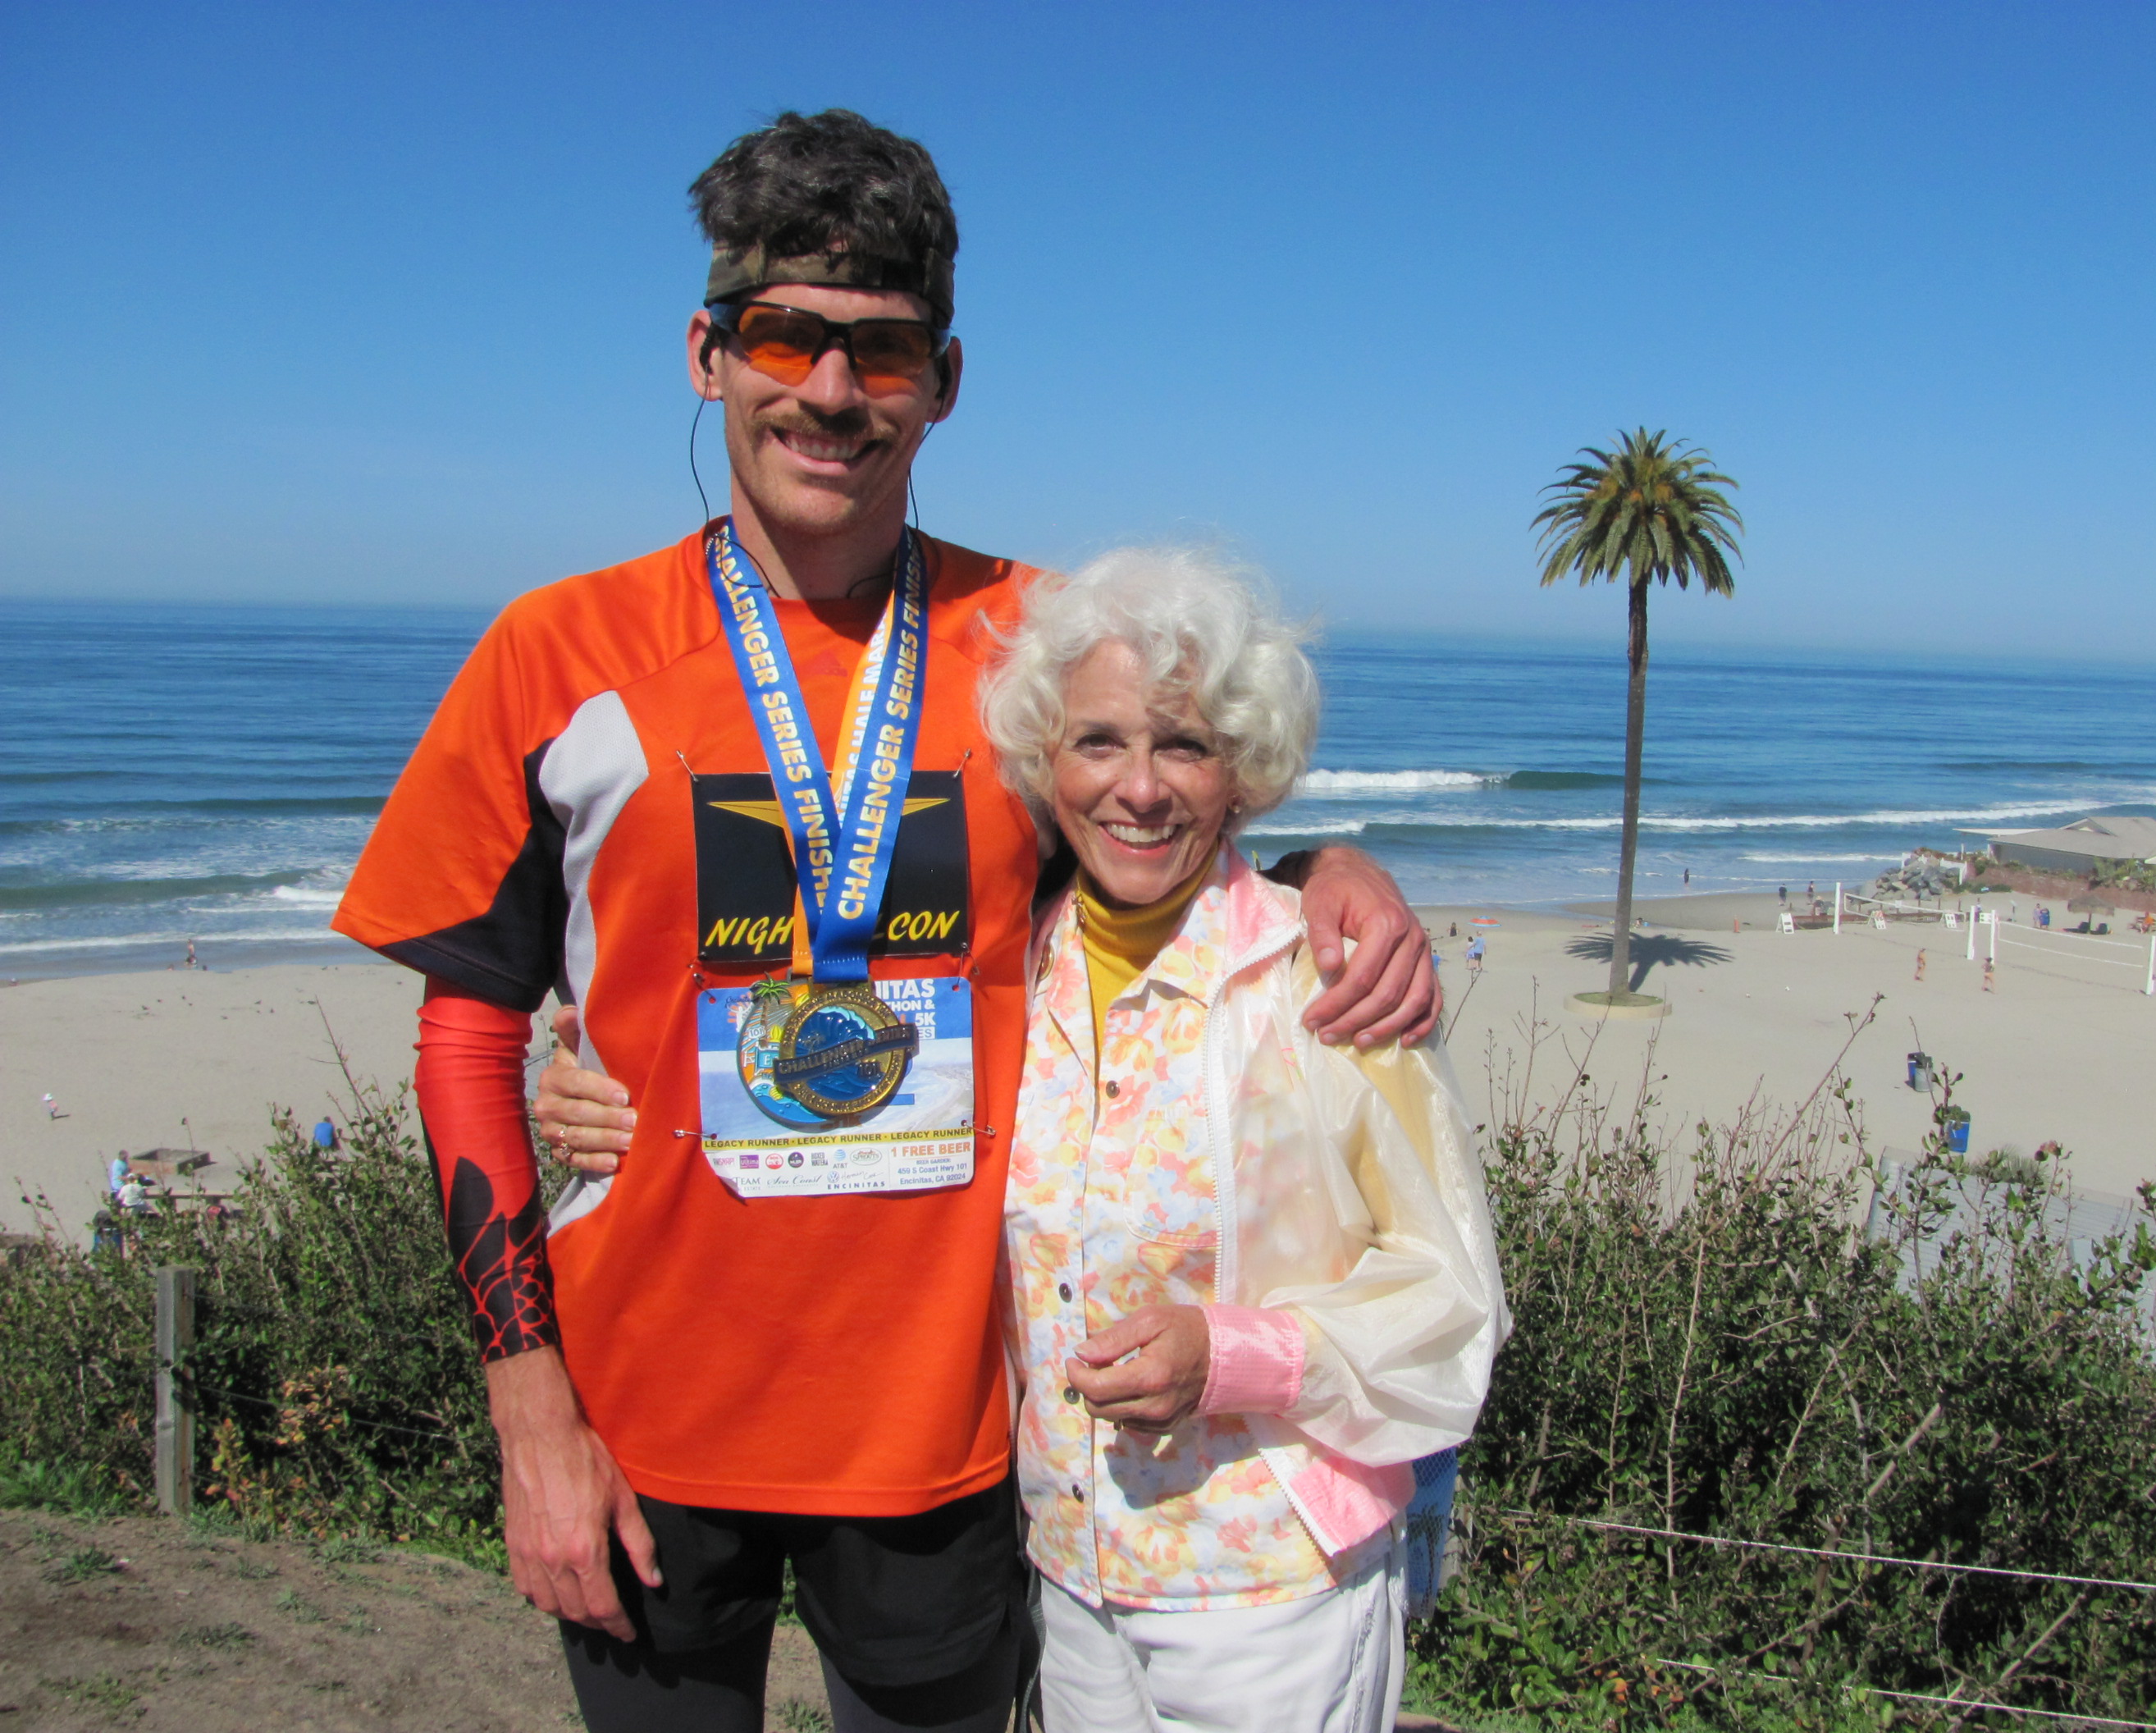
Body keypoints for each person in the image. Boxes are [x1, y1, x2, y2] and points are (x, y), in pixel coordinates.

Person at [336, 111, 1437, 1733]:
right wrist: (528, 1414)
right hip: (642, 1425)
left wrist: (1336, 862)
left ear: (947, 378)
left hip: (948, 1432)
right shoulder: (556, 650)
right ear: (708, 354)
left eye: (884, 352)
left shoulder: (1044, 644)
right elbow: (468, 1024)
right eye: (786, 337)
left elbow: (1174, 827)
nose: (833, 393)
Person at [978, 549, 1505, 1730]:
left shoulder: (1323, 980)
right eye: (1099, 741)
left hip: (1271, 1589)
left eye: (1186, 746)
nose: (1142, 789)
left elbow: (1454, 1300)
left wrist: (1233, 1357)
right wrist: (606, 1083)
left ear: (1243, 774)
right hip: (1069, 1576)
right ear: (1046, 763)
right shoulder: (1012, 971)